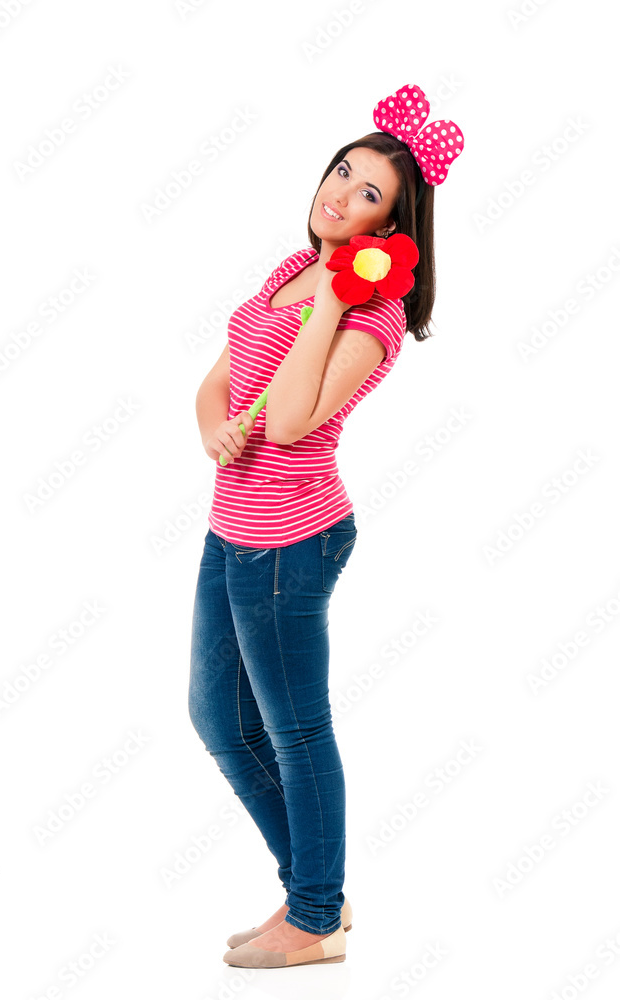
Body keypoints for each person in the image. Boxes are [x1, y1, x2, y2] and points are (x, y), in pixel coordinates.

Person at [189, 84, 464, 969]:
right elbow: (219, 381)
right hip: (231, 528)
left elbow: (291, 420)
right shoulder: (290, 267)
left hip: (290, 541)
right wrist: (213, 429)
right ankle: (318, 894)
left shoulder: (373, 315)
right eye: (342, 171)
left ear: (394, 227)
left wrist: (340, 299)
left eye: (369, 193)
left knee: (296, 730)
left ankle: (313, 917)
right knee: (218, 719)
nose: (341, 193)